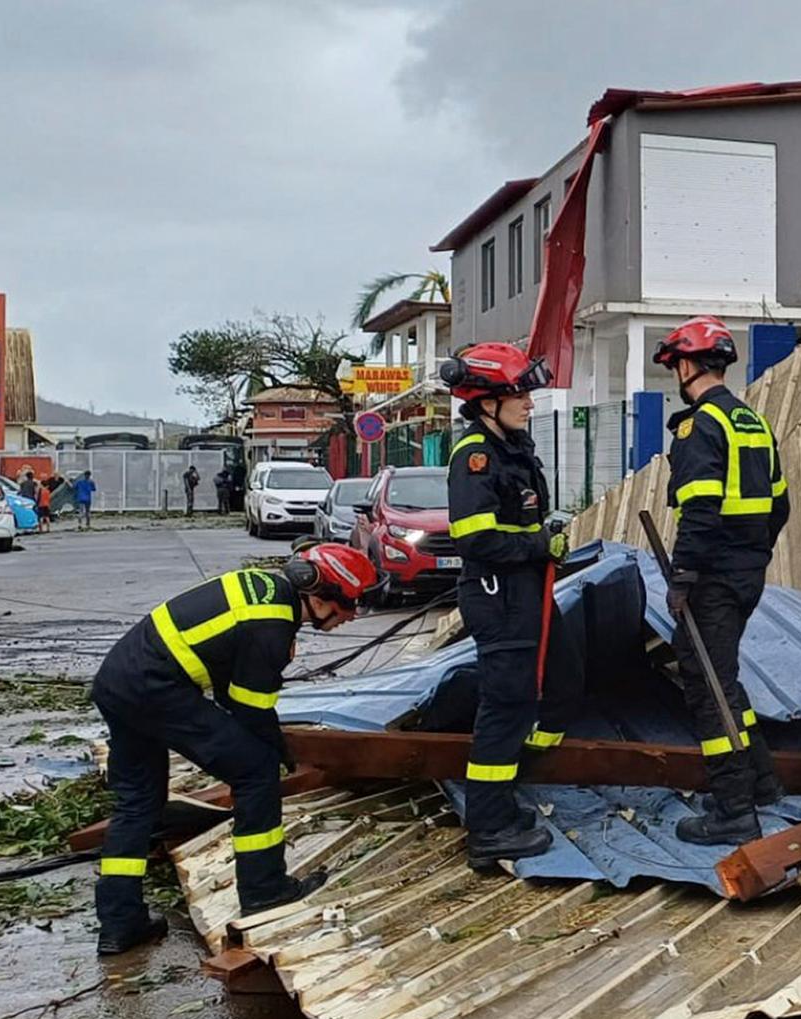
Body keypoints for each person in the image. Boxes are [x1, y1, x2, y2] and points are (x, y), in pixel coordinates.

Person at [87, 543, 378, 952]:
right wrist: (280, 754)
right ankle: (265, 889)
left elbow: (229, 688)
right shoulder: (273, 624)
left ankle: (120, 924)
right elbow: (250, 709)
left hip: (120, 682)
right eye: (352, 605)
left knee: (137, 804)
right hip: (157, 690)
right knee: (256, 771)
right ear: (324, 595)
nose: (351, 617)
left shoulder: (265, 592)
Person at [439, 341, 579, 871]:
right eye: (518, 394)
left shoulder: (512, 447)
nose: (529, 403)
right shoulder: (475, 455)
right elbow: (474, 538)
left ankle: (514, 785)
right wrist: (539, 545)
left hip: (528, 592)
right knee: (506, 706)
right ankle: (489, 827)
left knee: (563, 678)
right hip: (501, 597)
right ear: (486, 400)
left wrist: (541, 539)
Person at [655, 317, 790, 844]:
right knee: (724, 677)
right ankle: (762, 783)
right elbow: (780, 505)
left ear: (686, 366)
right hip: (746, 571)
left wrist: (683, 577)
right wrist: (752, 555)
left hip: (711, 577)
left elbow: (701, 509)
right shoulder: (751, 422)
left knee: (708, 686)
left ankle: (734, 810)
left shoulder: (699, 426)